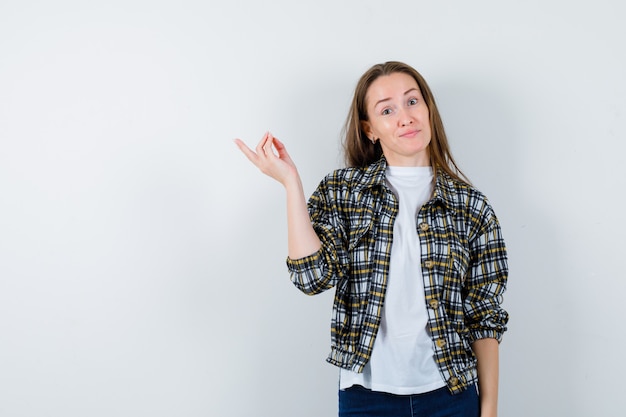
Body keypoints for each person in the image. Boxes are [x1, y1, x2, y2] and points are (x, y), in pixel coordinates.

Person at [234, 61, 508, 417]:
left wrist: (489, 412)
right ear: (370, 129)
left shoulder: (472, 207)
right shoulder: (343, 192)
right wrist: (291, 183)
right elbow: (311, 277)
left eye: (413, 102)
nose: (406, 117)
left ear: (428, 110)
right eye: (387, 109)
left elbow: (484, 316)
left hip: (452, 397)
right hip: (367, 398)